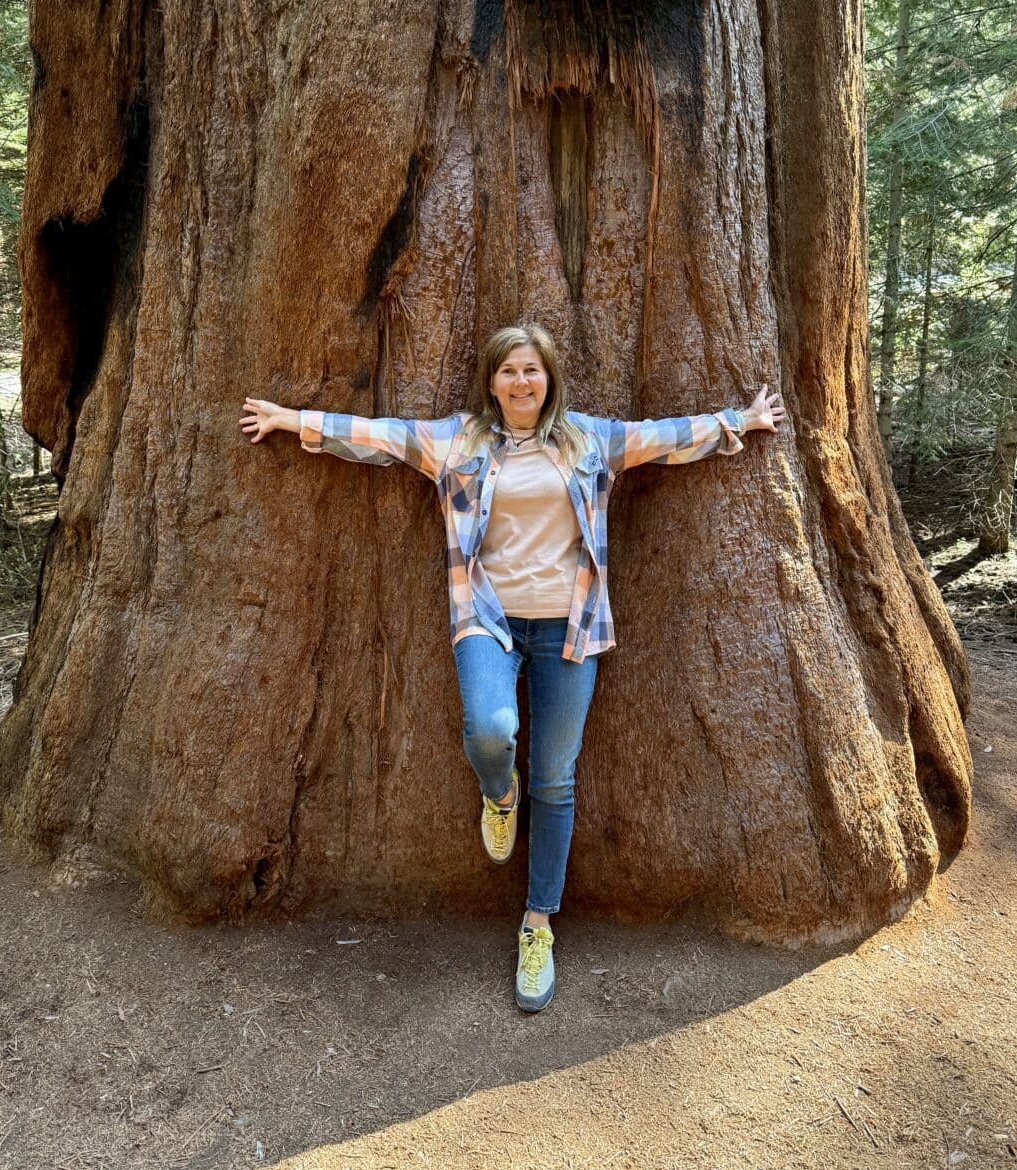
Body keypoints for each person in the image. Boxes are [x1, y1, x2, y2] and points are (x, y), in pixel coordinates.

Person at [240, 322, 785, 1013]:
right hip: (488, 618)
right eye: (508, 372)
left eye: (532, 370)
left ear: (549, 378)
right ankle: (499, 793)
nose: (522, 382)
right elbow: (378, 436)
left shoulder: (588, 440)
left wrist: (740, 420)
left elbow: (665, 436)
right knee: (492, 731)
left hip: (571, 626)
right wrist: (293, 421)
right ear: (492, 383)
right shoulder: (459, 442)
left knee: (556, 780)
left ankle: (537, 924)